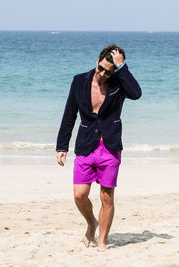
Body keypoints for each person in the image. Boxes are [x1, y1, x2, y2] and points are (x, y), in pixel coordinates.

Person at [56, 44, 141, 251]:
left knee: (106, 196)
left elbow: (136, 93)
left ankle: (102, 240)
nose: (103, 74)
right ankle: (91, 223)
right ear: (97, 62)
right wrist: (62, 146)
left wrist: (122, 68)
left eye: (108, 71)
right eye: (101, 68)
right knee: (79, 194)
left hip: (110, 146)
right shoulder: (79, 81)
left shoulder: (119, 83)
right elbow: (69, 114)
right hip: (86, 144)